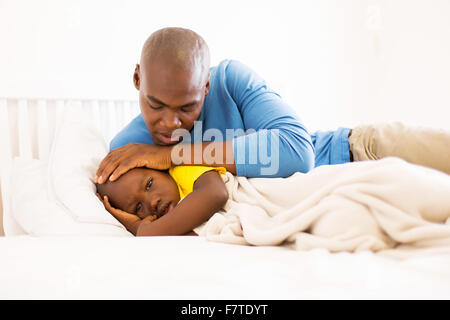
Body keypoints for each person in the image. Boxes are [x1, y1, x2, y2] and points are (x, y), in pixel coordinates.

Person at [94, 27, 450, 194]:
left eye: (188, 107)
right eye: (156, 104)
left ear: (206, 87)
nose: (170, 122)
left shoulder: (230, 79)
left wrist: (172, 155)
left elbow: (298, 153)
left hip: (359, 153)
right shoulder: (128, 151)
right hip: (341, 199)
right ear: (137, 79)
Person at [95, 165, 228, 236]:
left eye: (149, 184)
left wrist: (144, 231)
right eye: (138, 207)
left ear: (160, 169)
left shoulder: (182, 171)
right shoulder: (168, 227)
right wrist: (134, 226)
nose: (152, 202)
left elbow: (216, 193)